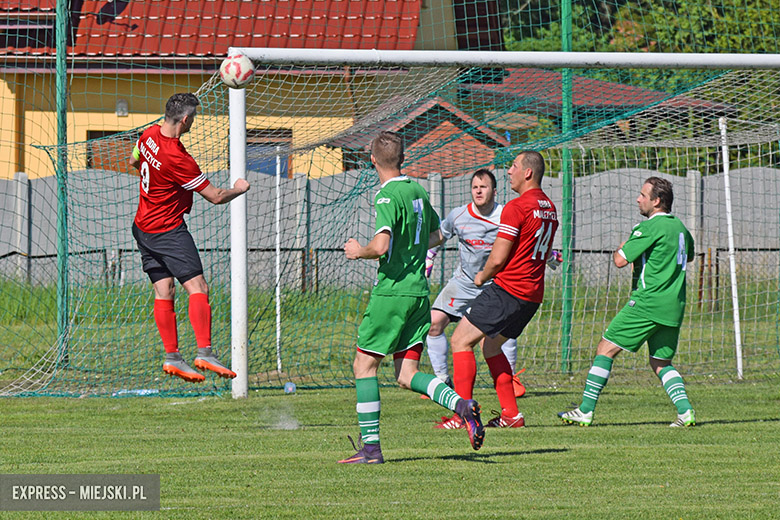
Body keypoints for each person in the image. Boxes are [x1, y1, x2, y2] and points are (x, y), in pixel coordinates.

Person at [338, 131, 485, 464]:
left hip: (393, 292)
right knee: (406, 374)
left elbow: (381, 246)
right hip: (420, 292)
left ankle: (372, 450)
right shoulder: (418, 190)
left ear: (372, 160)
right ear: (402, 158)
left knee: (364, 366)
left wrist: (357, 251)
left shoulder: (387, 196)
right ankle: (461, 405)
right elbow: (435, 234)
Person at [130, 93, 250, 383]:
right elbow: (216, 197)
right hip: (167, 229)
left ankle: (173, 357)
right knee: (198, 287)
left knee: (164, 290)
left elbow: (134, 162)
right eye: (193, 117)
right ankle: (204, 352)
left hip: (142, 226)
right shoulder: (178, 158)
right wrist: (240, 188)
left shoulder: (148, 134)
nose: (193, 121)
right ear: (185, 119)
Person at [559, 176, 696, 427]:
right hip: (674, 306)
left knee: (605, 348)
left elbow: (620, 260)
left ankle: (586, 410)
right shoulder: (680, 228)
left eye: (643, 195)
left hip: (647, 302)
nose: (638, 199)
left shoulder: (650, 227)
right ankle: (685, 411)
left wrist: (626, 245)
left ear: (656, 201)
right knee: (660, 361)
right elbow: (687, 257)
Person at [444, 151, 558, 429]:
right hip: (532, 295)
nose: (509, 171)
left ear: (528, 172)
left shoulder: (516, 207)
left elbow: (497, 258)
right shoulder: (550, 206)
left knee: (460, 341)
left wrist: (482, 275)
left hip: (508, 289)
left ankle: (463, 415)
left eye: (514, 166)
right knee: (492, 347)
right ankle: (511, 414)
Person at [423, 169, 523, 424]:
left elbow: (524, 243)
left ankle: (506, 386)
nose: (478, 191)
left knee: (489, 341)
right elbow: (439, 237)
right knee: (434, 324)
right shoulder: (459, 215)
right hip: (464, 283)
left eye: (484, 186)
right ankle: (443, 382)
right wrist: (419, 247)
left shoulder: (506, 215)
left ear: (494, 191)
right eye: (475, 187)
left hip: (494, 286)